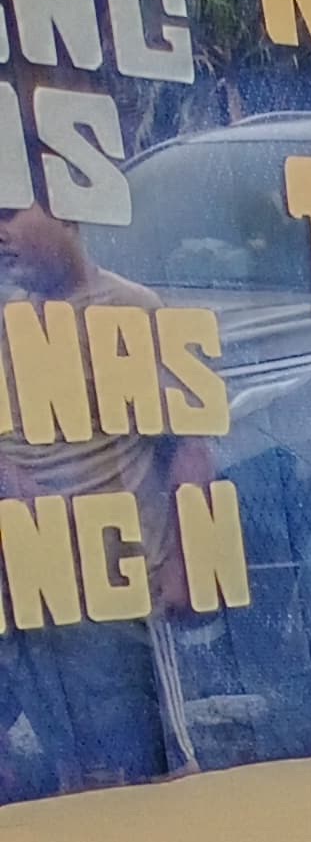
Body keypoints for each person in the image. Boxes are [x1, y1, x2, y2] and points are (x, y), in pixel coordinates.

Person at [0, 194, 211, 797]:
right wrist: (15, 483)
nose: (1, 236)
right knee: (67, 781)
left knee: (142, 779)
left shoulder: (132, 311)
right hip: (30, 591)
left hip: (115, 591)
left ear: (64, 211)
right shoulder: (8, 324)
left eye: (10, 215)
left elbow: (186, 449)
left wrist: (184, 563)